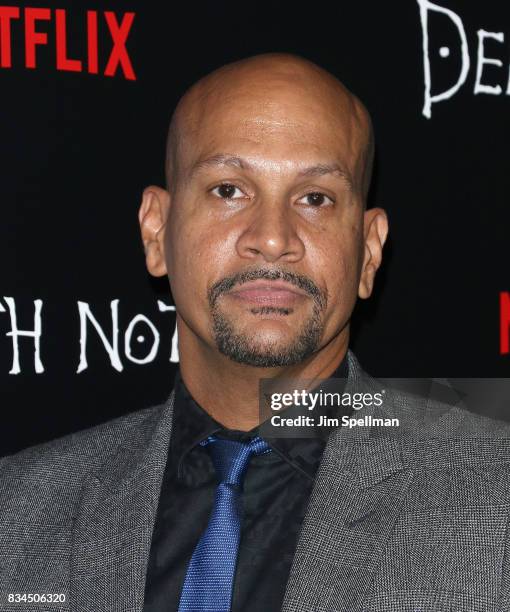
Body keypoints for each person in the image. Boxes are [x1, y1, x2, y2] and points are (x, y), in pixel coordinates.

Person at [1, 53, 510, 612]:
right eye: (228, 190)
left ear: (368, 251)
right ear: (156, 231)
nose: (272, 238)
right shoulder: (19, 510)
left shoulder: (496, 497)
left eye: (315, 198)